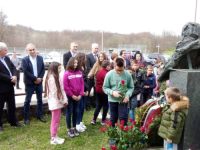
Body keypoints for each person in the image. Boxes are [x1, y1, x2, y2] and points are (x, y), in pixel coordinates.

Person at [103, 57, 134, 127]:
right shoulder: (109, 75)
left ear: (124, 66)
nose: (119, 72)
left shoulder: (127, 75)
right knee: (113, 118)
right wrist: (112, 92)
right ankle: (113, 137)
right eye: (117, 70)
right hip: (112, 100)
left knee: (123, 118)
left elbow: (131, 87)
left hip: (123, 100)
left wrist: (127, 95)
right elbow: (105, 88)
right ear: (114, 66)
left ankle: (123, 136)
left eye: (121, 70)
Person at [0, 42, 23, 131]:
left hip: (10, 86)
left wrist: (15, 76)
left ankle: (13, 121)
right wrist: (10, 78)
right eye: (5, 50)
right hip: (1, 88)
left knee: (12, 105)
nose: (7, 51)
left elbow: (14, 68)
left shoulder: (6, 58)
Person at [44, 62, 68, 145]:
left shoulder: (55, 77)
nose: (60, 70)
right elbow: (56, 93)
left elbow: (61, 90)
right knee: (55, 121)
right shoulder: (52, 78)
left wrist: (64, 99)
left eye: (60, 68)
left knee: (56, 120)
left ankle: (55, 135)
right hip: (55, 103)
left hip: (57, 102)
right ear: (53, 69)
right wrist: (63, 101)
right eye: (58, 68)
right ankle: (53, 138)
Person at [22, 43, 46, 125]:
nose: (32, 51)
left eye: (33, 49)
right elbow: (25, 71)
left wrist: (40, 78)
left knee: (40, 100)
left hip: (39, 83)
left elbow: (43, 69)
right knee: (27, 101)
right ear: (27, 51)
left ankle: (40, 115)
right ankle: (26, 117)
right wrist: (35, 79)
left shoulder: (40, 58)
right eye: (30, 50)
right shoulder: (24, 60)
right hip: (30, 83)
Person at [63, 57, 84, 138]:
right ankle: (69, 129)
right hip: (70, 96)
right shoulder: (67, 73)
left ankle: (74, 127)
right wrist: (72, 95)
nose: (75, 65)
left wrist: (80, 94)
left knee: (76, 111)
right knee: (69, 111)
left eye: (76, 63)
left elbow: (82, 84)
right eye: (74, 63)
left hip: (78, 96)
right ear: (70, 63)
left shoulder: (79, 72)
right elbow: (66, 86)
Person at [91, 60, 110, 125]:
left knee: (98, 105)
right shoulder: (107, 73)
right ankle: (103, 119)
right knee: (105, 105)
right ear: (107, 66)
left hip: (98, 90)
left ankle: (94, 119)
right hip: (104, 91)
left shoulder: (99, 72)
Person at [75, 52, 89, 132]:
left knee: (82, 108)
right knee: (79, 108)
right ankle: (77, 124)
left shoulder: (84, 68)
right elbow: (80, 82)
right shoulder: (78, 69)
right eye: (85, 58)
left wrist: (87, 90)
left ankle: (80, 121)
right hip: (80, 92)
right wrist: (83, 91)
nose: (86, 60)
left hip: (85, 91)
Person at [85, 43, 99, 111]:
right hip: (90, 77)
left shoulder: (99, 56)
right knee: (88, 91)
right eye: (95, 48)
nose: (96, 50)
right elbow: (88, 67)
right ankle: (87, 105)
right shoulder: (88, 56)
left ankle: (95, 104)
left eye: (97, 48)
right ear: (92, 48)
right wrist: (94, 73)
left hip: (97, 78)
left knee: (96, 91)